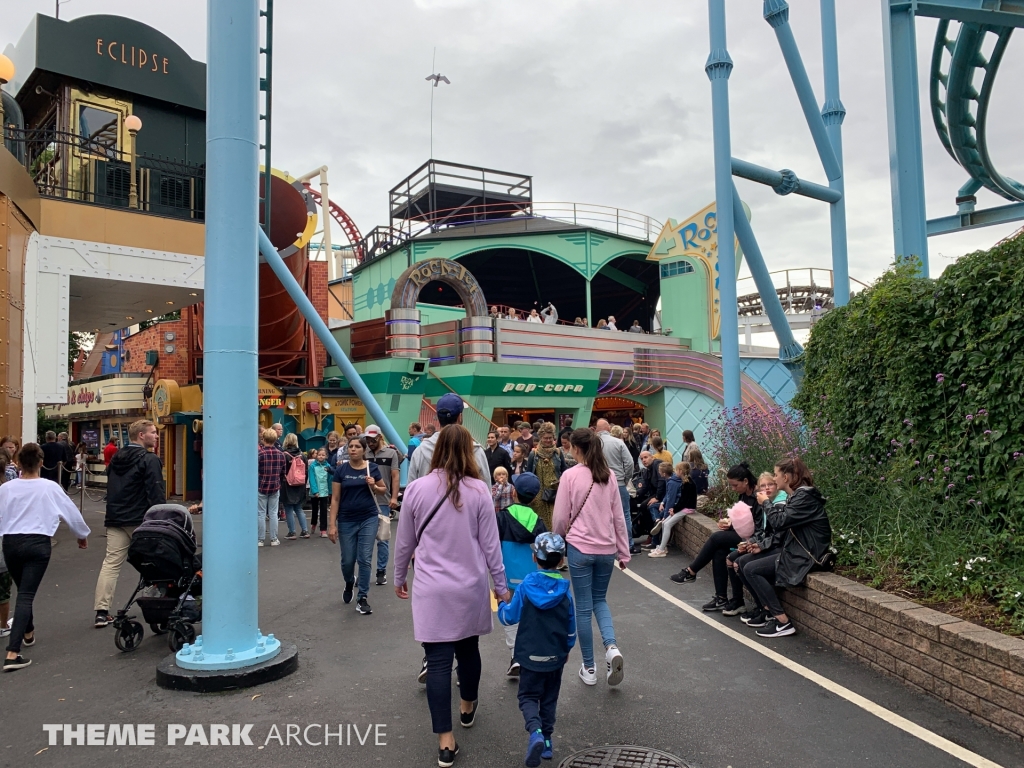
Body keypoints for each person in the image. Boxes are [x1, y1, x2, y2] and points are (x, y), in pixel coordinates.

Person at [393, 425, 510, 768]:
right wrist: (501, 588)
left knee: (439, 663)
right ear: (470, 453)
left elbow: (405, 542)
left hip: (431, 589)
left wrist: (399, 577)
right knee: (469, 649)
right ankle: (468, 705)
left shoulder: (415, 489)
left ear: (438, 449)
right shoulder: (478, 491)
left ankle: (445, 742)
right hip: (470, 586)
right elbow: (491, 547)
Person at [1, 443, 91, 671]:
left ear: (19, 463)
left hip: (11, 542)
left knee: (23, 590)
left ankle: (28, 632)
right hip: (38, 542)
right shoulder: (50, 487)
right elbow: (71, 512)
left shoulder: (7, 488)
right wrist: (81, 535)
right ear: (41, 462)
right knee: (26, 594)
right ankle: (12, 653)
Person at [552, 428, 630, 687]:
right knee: (600, 601)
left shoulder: (570, 476)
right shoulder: (607, 475)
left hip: (580, 549)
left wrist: (556, 541)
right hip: (606, 550)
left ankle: (589, 667)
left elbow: (562, 517)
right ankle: (611, 647)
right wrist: (624, 550)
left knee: (583, 608)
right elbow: (619, 517)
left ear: (576, 449)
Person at [498, 532, 575, 766]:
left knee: (528, 696)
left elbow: (509, 618)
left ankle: (536, 732)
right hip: (555, 657)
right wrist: (566, 648)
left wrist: (501, 605)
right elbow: (571, 628)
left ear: (534, 557)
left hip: (529, 656)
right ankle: (548, 742)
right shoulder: (565, 592)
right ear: (561, 561)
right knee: (549, 698)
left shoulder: (525, 587)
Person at [741, 457, 830, 637]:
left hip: (807, 555)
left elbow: (779, 522)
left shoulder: (804, 497)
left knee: (752, 569)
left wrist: (765, 502)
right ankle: (768, 612)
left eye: (776, 475)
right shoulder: (798, 495)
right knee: (744, 562)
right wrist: (761, 545)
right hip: (795, 550)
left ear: (786, 477)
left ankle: (782, 621)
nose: (774, 479)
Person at [93, 420, 164, 628]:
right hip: (140, 518)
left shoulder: (117, 458)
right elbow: (155, 490)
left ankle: (101, 610)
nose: (156, 436)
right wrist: (160, 517)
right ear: (141, 435)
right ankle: (157, 598)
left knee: (111, 563)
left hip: (116, 517)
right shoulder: (149, 459)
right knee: (155, 560)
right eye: (153, 433)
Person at [669, 462, 759, 615]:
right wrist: (729, 523)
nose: (733, 489)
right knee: (720, 552)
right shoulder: (744, 495)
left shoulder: (758, 497)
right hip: (742, 533)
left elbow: (757, 524)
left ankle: (691, 571)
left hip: (753, 537)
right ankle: (723, 598)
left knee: (717, 538)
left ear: (745, 481)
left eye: (735, 485)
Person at [495, 473, 548, 678]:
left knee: (510, 614)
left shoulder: (501, 517)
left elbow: (493, 546)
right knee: (530, 615)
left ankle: (514, 655)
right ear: (534, 498)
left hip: (506, 575)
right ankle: (528, 654)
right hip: (531, 577)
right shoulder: (538, 521)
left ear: (514, 492)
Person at [328, 436, 385, 614]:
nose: (353, 449)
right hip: (346, 519)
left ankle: (362, 598)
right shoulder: (341, 470)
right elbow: (335, 499)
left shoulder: (372, 468)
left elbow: (383, 489)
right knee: (347, 560)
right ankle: (349, 582)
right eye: (350, 446)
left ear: (363, 450)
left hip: (368, 517)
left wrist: (374, 486)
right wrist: (332, 524)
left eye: (356, 447)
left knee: (365, 559)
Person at [729, 472, 788, 619]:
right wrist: (750, 542)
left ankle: (772, 612)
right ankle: (761, 606)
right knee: (735, 561)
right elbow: (763, 530)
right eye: (763, 485)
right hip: (768, 543)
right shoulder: (766, 503)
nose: (767, 488)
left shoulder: (779, 503)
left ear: (777, 486)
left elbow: (778, 534)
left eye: (770, 484)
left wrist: (760, 545)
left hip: (780, 548)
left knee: (746, 565)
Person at [408, 394, 489, 484]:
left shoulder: (420, 451)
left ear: (438, 416)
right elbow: (486, 490)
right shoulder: (475, 451)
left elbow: (411, 491)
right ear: (460, 417)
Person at [594, 419, 640, 554]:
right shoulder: (618, 442)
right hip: (619, 483)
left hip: (600, 483)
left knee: (602, 515)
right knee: (624, 515)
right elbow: (630, 462)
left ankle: (605, 544)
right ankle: (628, 545)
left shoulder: (594, 445)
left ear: (597, 430)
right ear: (608, 428)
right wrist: (626, 478)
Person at [364, 425, 403, 586]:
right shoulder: (363, 453)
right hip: (364, 501)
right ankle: (364, 572)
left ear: (380, 437)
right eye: (367, 439)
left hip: (384, 501)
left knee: (383, 539)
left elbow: (395, 476)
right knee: (364, 540)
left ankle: (381, 571)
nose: (370, 442)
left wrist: (394, 497)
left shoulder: (391, 453)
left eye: (373, 439)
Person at [648, 462, 697, 557]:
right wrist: (674, 509)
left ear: (681, 471)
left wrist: (674, 509)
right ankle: (662, 547)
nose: (675, 472)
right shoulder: (686, 482)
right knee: (664, 523)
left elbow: (683, 501)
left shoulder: (687, 484)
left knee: (667, 524)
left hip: (687, 509)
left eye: (677, 470)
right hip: (684, 508)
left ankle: (661, 549)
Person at [525, 423, 566, 531]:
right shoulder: (533, 454)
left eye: (550, 438)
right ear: (540, 438)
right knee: (539, 521)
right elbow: (528, 474)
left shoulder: (558, 452)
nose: (548, 440)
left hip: (554, 493)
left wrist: (562, 479)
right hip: (538, 494)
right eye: (545, 438)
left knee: (555, 520)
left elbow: (564, 470)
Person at [255, 428, 285, 548]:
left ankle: (260, 539)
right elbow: (283, 472)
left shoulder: (260, 454)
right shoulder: (281, 454)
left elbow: (255, 470)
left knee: (261, 514)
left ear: (263, 439)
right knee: (273, 513)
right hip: (275, 485)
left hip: (261, 485)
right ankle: (274, 539)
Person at [280, 434, 310, 540]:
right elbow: (306, 471)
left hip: (287, 484)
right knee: (299, 508)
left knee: (288, 509)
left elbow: (281, 471)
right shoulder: (302, 455)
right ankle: (305, 530)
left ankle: (292, 532)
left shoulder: (284, 455)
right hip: (300, 484)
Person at [641, 460, 671, 550]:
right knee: (652, 508)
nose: (643, 460)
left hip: (670, 507)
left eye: (660, 472)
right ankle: (657, 522)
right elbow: (668, 495)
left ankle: (657, 543)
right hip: (664, 503)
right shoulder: (669, 481)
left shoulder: (671, 482)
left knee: (652, 508)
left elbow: (671, 497)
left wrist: (661, 501)